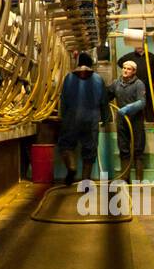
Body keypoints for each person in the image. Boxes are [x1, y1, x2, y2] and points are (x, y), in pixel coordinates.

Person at [57, 52, 109, 186]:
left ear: (78, 63)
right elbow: (104, 101)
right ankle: (85, 181)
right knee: (89, 150)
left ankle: (72, 167)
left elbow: (63, 100)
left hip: (71, 118)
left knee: (66, 145)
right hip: (91, 119)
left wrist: (62, 116)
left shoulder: (68, 78)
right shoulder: (98, 79)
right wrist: (105, 118)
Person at [106, 60, 148, 180]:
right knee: (123, 149)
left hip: (136, 121)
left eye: (128, 69)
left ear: (134, 71)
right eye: (124, 68)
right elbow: (107, 95)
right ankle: (125, 177)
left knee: (138, 150)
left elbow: (142, 102)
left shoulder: (139, 84)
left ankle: (139, 179)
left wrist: (128, 108)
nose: (125, 70)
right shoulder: (116, 83)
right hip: (122, 121)